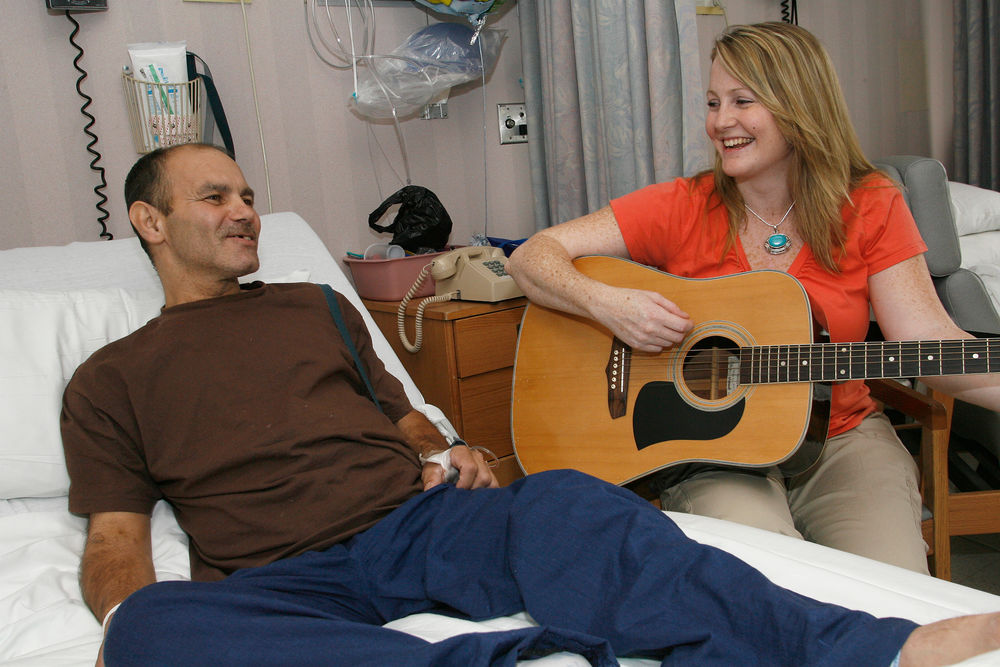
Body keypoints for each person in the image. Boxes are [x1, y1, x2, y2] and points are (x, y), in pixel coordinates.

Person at [60, 141, 1000, 667]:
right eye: (215, 196)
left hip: (410, 524)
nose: (245, 210)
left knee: (572, 501)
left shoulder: (314, 305)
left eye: (250, 193)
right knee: (151, 629)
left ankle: (872, 648)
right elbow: (115, 543)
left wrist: (445, 444)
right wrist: (120, 624)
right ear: (150, 220)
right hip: (280, 574)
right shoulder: (111, 376)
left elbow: (402, 415)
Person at [506, 21, 1000, 577]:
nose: (720, 122)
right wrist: (609, 305)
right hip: (711, 454)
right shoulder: (682, 204)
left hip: (840, 440)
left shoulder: (869, 203)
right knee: (771, 581)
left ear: (799, 106)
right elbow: (531, 256)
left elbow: (927, 340)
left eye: (743, 101)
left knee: (894, 590)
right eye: (714, 102)